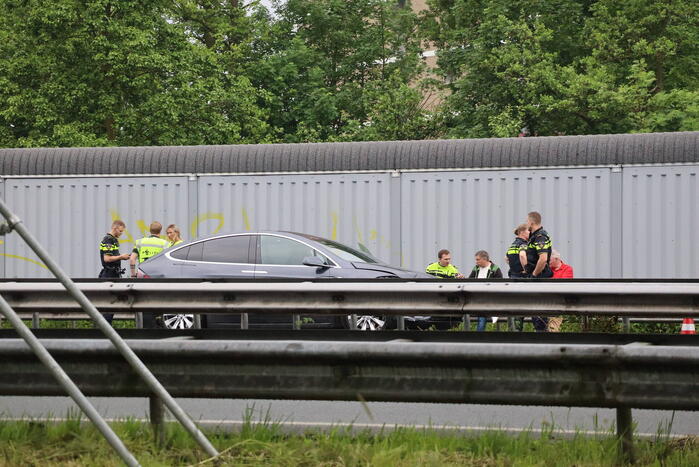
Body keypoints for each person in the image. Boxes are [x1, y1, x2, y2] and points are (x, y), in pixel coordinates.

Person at [525, 211, 553, 332]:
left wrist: (534, 275)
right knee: (535, 311)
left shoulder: (540, 236)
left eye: (527, 221)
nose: (526, 224)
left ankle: (542, 339)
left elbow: (543, 259)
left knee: (539, 314)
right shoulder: (535, 236)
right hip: (536, 278)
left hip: (539, 278)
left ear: (531, 222)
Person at [98, 220, 131, 324]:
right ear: (115, 228)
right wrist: (121, 257)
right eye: (120, 231)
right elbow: (107, 258)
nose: (121, 234)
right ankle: (106, 327)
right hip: (109, 274)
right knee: (110, 303)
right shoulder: (108, 240)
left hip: (114, 274)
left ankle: (107, 326)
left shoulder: (113, 240)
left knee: (112, 303)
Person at [468, 250, 503, 331]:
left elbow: (500, 285)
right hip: (476, 299)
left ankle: (478, 337)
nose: (476, 262)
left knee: (482, 316)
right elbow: (470, 281)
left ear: (485, 259)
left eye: (478, 259)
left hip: (490, 299)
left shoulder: (495, 269)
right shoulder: (476, 268)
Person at [505, 224, 530, 330]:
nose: (530, 233)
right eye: (528, 231)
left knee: (514, 304)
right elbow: (522, 255)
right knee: (522, 305)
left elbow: (506, 258)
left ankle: (513, 329)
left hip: (513, 277)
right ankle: (518, 330)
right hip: (522, 277)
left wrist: (514, 266)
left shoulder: (513, 244)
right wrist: (526, 269)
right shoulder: (523, 244)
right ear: (522, 232)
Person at [548, 249, 574, 332]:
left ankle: (552, 339)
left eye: (550, 260)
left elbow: (564, 285)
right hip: (547, 299)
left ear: (556, 259)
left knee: (553, 327)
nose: (548, 262)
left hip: (558, 301)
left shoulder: (567, 269)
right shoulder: (547, 269)